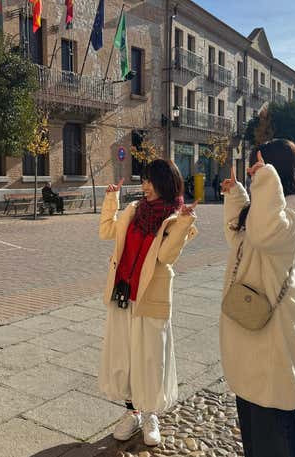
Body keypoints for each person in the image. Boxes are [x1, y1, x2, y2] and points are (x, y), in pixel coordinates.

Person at [220, 139, 295, 457]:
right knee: (251, 410)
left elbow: (267, 234)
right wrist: (236, 195)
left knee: (274, 408)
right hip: (248, 316)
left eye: (257, 163)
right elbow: (239, 238)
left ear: (277, 166)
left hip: (273, 322)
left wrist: (267, 178)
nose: (251, 170)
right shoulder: (267, 203)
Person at [98, 159, 198, 447]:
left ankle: (151, 413)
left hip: (151, 298)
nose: (145, 187)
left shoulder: (177, 218)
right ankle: (133, 412)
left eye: (151, 181)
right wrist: (110, 199)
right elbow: (107, 231)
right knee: (125, 357)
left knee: (151, 357)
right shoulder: (134, 209)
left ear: (166, 183)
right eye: (143, 180)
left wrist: (184, 224)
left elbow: (166, 257)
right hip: (122, 294)